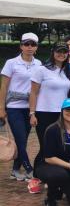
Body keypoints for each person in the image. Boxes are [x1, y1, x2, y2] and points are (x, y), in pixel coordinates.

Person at [0, 33, 42, 180]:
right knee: (20, 137)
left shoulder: (39, 64)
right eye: (26, 44)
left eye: (33, 44)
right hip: (14, 106)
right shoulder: (11, 63)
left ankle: (15, 170)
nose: (29, 47)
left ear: (36, 47)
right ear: (21, 46)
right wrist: (1, 108)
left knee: (22, 140)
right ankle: (30, 169)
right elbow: (4, 86)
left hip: (30, 108)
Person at [29, 42, 70, 167]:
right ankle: (37, 174)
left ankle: (53, 174)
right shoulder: (42, 70)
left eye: (64, 52)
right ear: (53, 52)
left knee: (58, 146)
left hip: (61, 114)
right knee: (45, 146)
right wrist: (32, 113)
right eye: (58, 51)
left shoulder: (67, 71)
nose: (61, 54)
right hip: (44, 113)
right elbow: (33, 93)